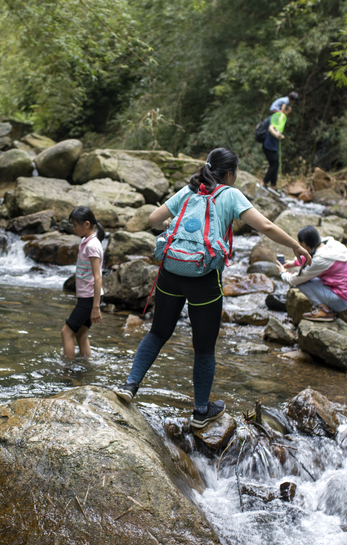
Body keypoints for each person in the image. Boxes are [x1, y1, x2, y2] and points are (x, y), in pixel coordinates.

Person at [115, 147, 313, 426]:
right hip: (204, 278)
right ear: (230, 173)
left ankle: (129, 387)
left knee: (158, 332)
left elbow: (152, 220)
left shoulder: (190, 190)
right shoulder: (230, 194)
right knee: (204, 348)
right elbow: (266, 226)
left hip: (171, 271)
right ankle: (200, 412)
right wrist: (295, 245)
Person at [279, 226, 347, 322]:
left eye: (300, 244)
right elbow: (312, 253)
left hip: (342, 301)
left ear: (304, 244)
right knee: (308, 278)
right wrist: (295, 263)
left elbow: (294, 280)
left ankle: (325, 311)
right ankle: (327, 306)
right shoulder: (330, 243)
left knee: (302, 283)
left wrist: (282, 273)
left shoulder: (320, 260)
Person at [62, 206, 105, 360]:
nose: (73, 228)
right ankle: (85, 366)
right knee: (81, 333)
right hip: (87, 297)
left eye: (75, 225)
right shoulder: (87, 242)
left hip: (90, 298)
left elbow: (97, 276)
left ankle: (67, 369)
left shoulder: (92, 245)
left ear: (87, 224)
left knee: (66, 332)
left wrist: (95, 306)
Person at [262, 102, 292, 192]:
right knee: (275, 164)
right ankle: (264, 183)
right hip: (269, 145)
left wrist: (279, 134)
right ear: (284, 109)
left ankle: (273, 185)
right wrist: (277, 135)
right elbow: (271, 128)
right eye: (288, 112)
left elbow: (276, 129)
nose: (288, 114)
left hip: (273, 146)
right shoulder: (277, 116)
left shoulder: (281, 117)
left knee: (275, 164)